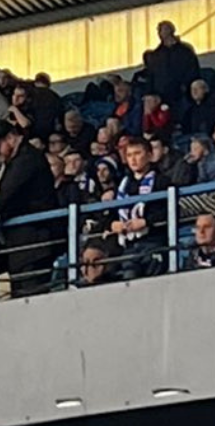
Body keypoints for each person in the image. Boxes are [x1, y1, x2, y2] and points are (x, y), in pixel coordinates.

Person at [0, 120, 57, 297]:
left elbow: (7, 195)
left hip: (33, 243)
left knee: (32, 299)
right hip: (23, 246)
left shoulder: (27, 159)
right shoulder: (20, 160)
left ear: (11, 138)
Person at [113, 137, 172, 279]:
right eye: (129, 155)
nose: (133, 159)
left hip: (154, 241)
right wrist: (113, 223)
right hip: (129, 245)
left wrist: (146, 221)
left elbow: (168, 210)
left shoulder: (162, 181)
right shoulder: (122, 185)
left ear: (150, 156)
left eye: (137, 153)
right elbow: (112, 212)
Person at [144, 21, 200, 112]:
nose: (161, 33)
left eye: (163, 29)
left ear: (171, 30)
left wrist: (187, 87)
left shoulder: (185, 50)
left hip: (183, 94)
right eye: (159, 30)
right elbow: (151, 75)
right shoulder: (156, 55)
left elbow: (193, 69)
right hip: (162, 96)